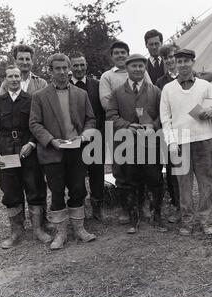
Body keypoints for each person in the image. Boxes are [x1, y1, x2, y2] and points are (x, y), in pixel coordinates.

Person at [29, 53, 97, 250]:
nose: (62, 72)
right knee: (57, 192)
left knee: (78, 189)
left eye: (64, 68)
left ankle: (79, 228)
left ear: (69, 69)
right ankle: (61, 233)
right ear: (50, 72)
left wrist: (83, 136)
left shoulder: (80, 94)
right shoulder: (40, 96)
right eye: (57, 69)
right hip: (52, 152)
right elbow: (34, 123)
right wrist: (51, 140)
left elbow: (90, 120)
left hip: (76, 151)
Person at [160, 49, 212, 236]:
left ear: (193, 62)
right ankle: (187, 221)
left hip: (204, 141)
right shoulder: (168, 89)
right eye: (179, 61)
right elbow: (166, 120)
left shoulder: (204, 85)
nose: (183, 65)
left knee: (206, 182)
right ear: (174, 63)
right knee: (183, 184)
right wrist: (171, 143)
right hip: (181, 143)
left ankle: (206, 220)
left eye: (186, 61)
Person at [0, 65, 51, 249]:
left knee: (35, 187)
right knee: (10, 190)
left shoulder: (31, 99)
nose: (14, 79)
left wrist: (31, 143)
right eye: (10, 77)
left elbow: (38, 124)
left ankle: (38, 229)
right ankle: (16, 231)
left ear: (20, 79)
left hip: (28, 152)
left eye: (16, 76)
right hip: (7, 152)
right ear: (5, 80)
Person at [106, 54, 166, 234]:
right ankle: (134, 218)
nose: (138, 69)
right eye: (134, 66)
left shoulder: (155, 91)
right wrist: (126, 125)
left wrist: (153, 126)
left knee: (154, 180)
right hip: (128, 145)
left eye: (141, 66)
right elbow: (111, 115)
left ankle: (157, 216)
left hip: (150, 145)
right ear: (127, 69)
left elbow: (164, 115)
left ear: (145, 68)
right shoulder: (117, 92)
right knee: (131, 181)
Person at [99, 41, 152, 225]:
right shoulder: (107, 77)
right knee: (121, 170)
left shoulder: (143, 73)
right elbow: (107, 103)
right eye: (117, 53)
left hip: (143, 130)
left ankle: (142, 204)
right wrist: (127, 121)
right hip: (119, 130)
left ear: (128, 55)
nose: (120, 56)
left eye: (123, 52)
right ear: (112, 56)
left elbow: (150, 98)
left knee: (143, 166)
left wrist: (143, 120)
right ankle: (125, 207)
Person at [0, 44, 50, 228]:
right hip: (13, 142)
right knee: (11, 182)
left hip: (35, 141)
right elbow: (3, 112)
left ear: (32, 61)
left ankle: (42, 221)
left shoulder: (41, 83)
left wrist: (34, 140)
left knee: (36, 181)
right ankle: (17, 228)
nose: (25, 62)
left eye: (28, 59)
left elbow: (46, 114)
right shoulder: (6, 84)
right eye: (21, 59)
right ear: (15, 60)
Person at [69, 52, 106, 222]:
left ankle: (97, 206)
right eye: (75, 65)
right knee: (76, 176)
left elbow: (102, 112)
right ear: (71, 67)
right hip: (74, 140)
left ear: (86, 65)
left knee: (97, 174)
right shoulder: (64, 86)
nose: (79, 68)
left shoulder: (97, 85)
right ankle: (80, 208)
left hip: (96, 138)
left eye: (81, 64)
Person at [156, 44, 181, 221]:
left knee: (194, 168)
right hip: (171, 130)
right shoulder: (160, 82)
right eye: (166, 58)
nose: (170, 60)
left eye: (172, 56)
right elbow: (161, 109)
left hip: (189, 128)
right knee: (173, 170)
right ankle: (177, 204)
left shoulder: (190, 76)